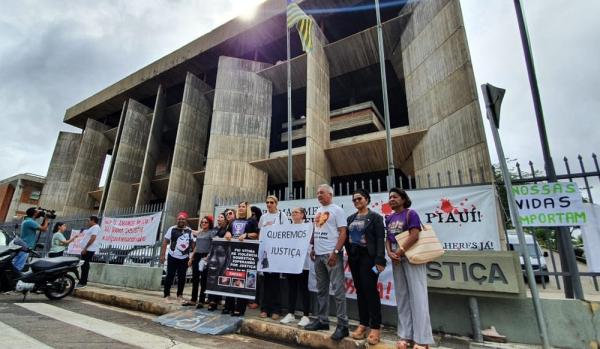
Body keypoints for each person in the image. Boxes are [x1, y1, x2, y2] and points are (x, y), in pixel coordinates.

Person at [386, 188, 434, 349]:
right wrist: (389, 252)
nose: (392, 199)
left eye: (395, 197)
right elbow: (388, 237)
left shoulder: (411, 213)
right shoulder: (389, 217)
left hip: (411, 255)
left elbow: (414, 235)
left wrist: (399, 252)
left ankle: (422, 339)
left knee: (418, 296)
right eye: (390, 197)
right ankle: (405, 335)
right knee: (402, 296)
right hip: (396, 257)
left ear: (403, 199)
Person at [305, 184, 349, 341]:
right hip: (318, 255)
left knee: (338, 291)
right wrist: (313, 248)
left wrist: (336, 252)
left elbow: (343, 232)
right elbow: (316, 230)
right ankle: (323, 320)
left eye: (322, 193)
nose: (319, 195)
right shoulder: (318, 211)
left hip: (331, 256)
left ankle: (343, 325)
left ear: (330, 194)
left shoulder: (337, 210)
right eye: (317, 193)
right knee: (321, 290)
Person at [346, 189, 386, 345]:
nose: (357, 201)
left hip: (369, 259)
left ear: (367, 199)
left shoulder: (375, 217)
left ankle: (375, 327)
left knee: (370, 290)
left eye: (359, 198)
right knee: (360, 290)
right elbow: (346, 238)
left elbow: (379, 239)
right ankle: (363, 323)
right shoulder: (350, 218)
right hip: (354, 258)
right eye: (354, 200)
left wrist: (380, 260)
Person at [223, 201, 258, 316]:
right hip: (232, 253)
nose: (241, 208)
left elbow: (256, 234)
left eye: (243, 206)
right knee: (230, 279)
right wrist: (227, 234)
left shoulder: (251, 220)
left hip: (245, 255)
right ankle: (229, 306)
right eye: (239, 206)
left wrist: (247, 235)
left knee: (242, 281)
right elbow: (228, 231)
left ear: (247, 208)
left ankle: (240, 308)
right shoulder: (233, 221)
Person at [258, 195, 288, 320]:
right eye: (267, 202)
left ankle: (276, 309)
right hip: (265, 253)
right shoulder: (263, 217)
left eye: (271, 202)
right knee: (266, 281)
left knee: (275, 282)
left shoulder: (282, 216)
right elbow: (261, 232)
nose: (269, 204)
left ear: (276, 203)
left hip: (276, 253)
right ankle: (265, 308)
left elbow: (286, 233)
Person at [280, 207, 311, 327]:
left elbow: (310, 243)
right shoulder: (288, 228)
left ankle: (306, 315)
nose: (293, 214)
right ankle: (290, 313)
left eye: (296, 212)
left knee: (303, 289)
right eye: (292, 212)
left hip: (303, 263)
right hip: (291, 263)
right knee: (291, 288)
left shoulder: (308, 227)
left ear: (303, 215)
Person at [160, 211, 195, 303]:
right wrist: (162, 255)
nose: (181, 220)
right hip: (172, 256)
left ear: (186, 220)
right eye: (179, 219)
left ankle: (180, 295)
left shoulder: (189, 230)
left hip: (184, 258)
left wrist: (192, 257)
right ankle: (166, 295)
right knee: (170, 276)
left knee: (182, 277)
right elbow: (165, 242)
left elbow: (192, 243)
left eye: (183, 219)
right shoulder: (172, 229)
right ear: (177, 220)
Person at [184, 215, 217, 308]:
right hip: (197, 256)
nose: (203, 223)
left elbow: (213, 246)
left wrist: (208, 256)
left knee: (203, 280)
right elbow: (196, 247)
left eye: (206, 222)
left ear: (209, 223)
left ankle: (201, 301)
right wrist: (191, 258)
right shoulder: (200, 233)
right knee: (195, 279)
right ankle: (193, 300)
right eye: (202, 222)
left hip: (205, 257)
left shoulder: (211, 233)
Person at [12, 207, 49, 272]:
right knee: (18, 266)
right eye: (38, 212)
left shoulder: (27, 220)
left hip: (23, 246)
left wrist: (42, 215)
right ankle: (11, 280)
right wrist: (46, 219)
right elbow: (44, 229)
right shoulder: (30, 222)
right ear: (34, 214)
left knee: (16, 264)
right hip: (25, 247)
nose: (39, 213)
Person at [207, 212, 229, 311]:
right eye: (218, 217)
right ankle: (212, 300)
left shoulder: (227, 230)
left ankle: (217, 299)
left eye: (221, 217)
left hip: (222, 255)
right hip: (213, 254)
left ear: (225, 219)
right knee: (211, 277)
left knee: (220, 277)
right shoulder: (214, 230)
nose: (219, 219)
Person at [77, 215, 101, 289]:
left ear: (93, 220)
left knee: (85, 266)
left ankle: (83, 282)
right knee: (84, 265)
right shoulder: (93, 228)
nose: (87, 222)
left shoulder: (96, 227)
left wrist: (85, 248)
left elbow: (93, 238)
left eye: (88, 220)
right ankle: (82, 281)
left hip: (89, 249)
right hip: (87, 249)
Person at [248, 206, 263, 310]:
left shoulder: (259, 225)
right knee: (249, 277)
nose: (252, 216)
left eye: (254, 214)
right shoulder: (248, 223)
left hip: (259, 253)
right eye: (251, 214)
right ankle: (248, 299)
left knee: (257, 279)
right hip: (248, 252)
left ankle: (256, 301)